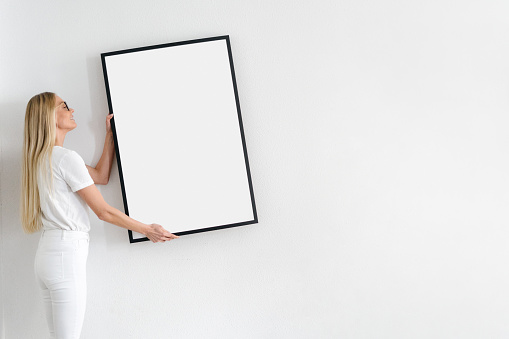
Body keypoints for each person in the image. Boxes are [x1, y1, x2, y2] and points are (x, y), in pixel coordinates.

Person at [20, 92, 179, 339]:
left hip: (47, 255)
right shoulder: (65, 158)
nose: (72, 110)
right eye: (65, 106)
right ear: (48, 116)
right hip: (65, 255)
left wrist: (109, 136)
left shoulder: (41, 159)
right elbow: (103, 211)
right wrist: (147, 229)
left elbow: (101, 176)